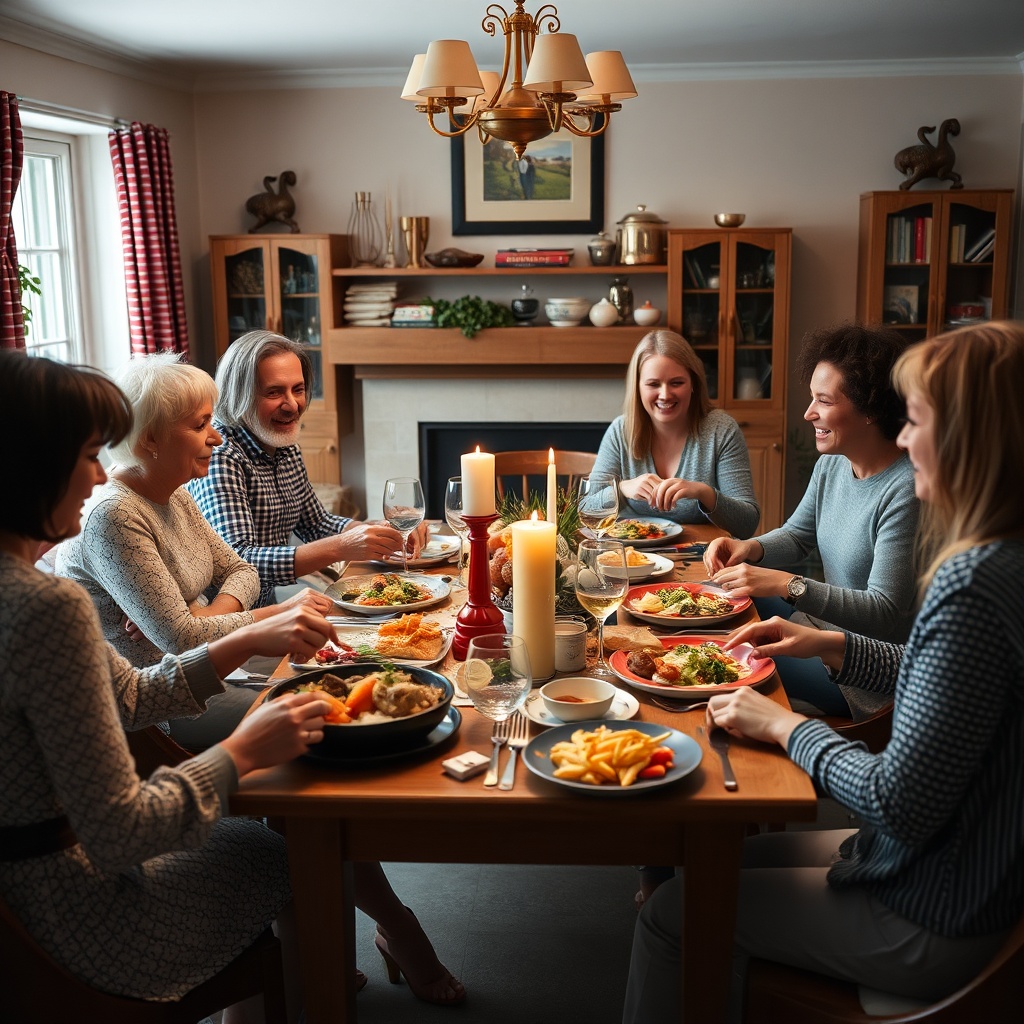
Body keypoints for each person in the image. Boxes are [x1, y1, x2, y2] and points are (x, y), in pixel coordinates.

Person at [0, 351, 465, 1019]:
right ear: (32, 467)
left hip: (31, 904)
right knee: (304, 851)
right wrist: (244, 751)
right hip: (81, 923)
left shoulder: (32, 590)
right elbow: (123, 832)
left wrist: (240, 636)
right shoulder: (49, 605)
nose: (102, 474)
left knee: (294, 824)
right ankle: (329, 975)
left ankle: (314, 974)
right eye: (87, 455)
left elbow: (132, 693)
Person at [623, 320, 1024, 1024]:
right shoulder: (1002, 564)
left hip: (935, 905)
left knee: (670, 915)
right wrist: (827, 648)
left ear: (972, 438)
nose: (904, 439)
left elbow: (897, 802)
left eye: (920, 421)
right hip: (946, 863)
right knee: (704, 864)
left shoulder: (971, 586)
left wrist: (783, 728)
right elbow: (933, 670)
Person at [55, 353, 334, 750]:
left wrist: (202, 614)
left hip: (211, 670)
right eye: (201, 424)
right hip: (162, 707)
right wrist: (276, 613)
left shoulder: (175, 495)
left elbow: (243, 570)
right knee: (322, 712)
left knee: (336, 677)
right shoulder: (115, 515)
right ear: (150, 438)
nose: (216, 436)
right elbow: (183, 642)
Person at [703, 323, 920, 718]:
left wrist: (788, 584)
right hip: (816, 626)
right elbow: (798, 535)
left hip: (862, 671)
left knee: (730, 652)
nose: (808, 413)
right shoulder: (832, 464)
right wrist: (748, 548)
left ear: (871, 408)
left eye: (824, 400)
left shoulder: (906, 489)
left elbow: (885, 611)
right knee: (723, 598)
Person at [187, 330, 428, 608]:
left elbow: (315, 523)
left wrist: (372, 532)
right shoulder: (221, 454)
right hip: (226, 625)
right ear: (239, 395)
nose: (293, 405)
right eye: (274, 392)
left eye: (298, 389)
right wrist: (342, 546)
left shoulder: (281, 441)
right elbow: (241, 561)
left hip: (265, 606)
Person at [590, 330, 760, 538]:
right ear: (638, 388)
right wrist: (622, 488)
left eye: (676, 383)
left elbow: (747, 524)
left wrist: (704, 493)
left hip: (703, 559)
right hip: (631, 559)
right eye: (653, 384)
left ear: (693, 384)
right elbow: (587, 509)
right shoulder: (620, 432)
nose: (665, 395)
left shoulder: (721, 430)